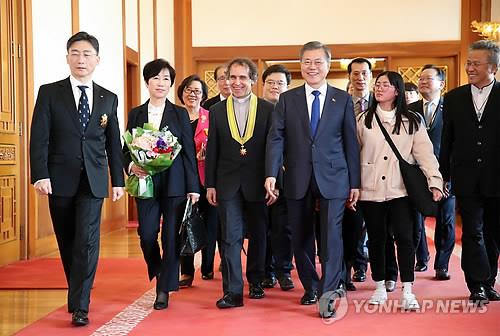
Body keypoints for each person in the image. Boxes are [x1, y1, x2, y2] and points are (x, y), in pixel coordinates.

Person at [29, 31, 125, 327]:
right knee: (67, 240)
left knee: (86, 240)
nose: (81, 59)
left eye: (87, 54)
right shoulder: (49, 92)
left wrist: (118, 180)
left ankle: (81, 305)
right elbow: (39, 138)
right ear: (67, 57)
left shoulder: (108, 97)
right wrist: (40, 174)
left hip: (94, 180)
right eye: (75, 53)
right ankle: (77, 291)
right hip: (58, 179)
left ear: (97, 60)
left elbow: (112, 142)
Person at [265, 41, 361, 318]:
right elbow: (276, 138)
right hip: (297, 176)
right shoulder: (288, 99)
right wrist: (271, 173)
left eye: (318, 62)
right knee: (301, 236)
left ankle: (329, 294)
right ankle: (311, 285)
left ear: (328, 65)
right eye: (307, 62)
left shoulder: (342, 99)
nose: (312, 67)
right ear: (300, 66)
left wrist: (354, 182)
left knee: (332, 238)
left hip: (334, 177)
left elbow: (350, 144)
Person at [356, 71, 443, 311]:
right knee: (376, 239)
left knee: (405, 238)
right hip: (370, 189)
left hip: (401, 190)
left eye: (385, 84)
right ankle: (380, 286)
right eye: (377, 84)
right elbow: (354, 155)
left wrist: (434, 181)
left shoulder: (412, 120)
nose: (379, 88)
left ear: (397, 90)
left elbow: (425, 154)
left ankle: (408, 289)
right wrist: (352, 186)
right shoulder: (364, 119)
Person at [123, 59, 200, 310]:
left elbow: (188, 151)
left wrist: (193, 187)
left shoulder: (179, 113)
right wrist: (130, 166)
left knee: (170, 237)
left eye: (166, 78)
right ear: (147, 81)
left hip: (175, 183)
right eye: (156, 78)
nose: (161, 83)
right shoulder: (136, 112)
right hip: (145, 182)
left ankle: (163, 289)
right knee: (146, 234)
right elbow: (127, 148)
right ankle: (159, 269)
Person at [205, 58, 274, 309]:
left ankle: (256, 280)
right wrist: (210, 184)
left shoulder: (267, 109)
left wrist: (273, 179)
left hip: (259, 182)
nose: (236, 83)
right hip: (227, 182)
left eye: (242, 78)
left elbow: (273, 148)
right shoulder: (216, 111)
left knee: (258, 234)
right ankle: (232, 291)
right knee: (231, 237)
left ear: (253, 80)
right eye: (231, 78)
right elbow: (212, 149)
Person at [439, 40, 500, 304]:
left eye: (476, 64)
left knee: (493, 232)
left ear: (493, 67)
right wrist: (443, 176)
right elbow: (447, 140)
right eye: (468, 63)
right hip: (465, 178)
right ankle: (476, 285)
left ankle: (489, 281)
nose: (470, 68)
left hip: (497, 178)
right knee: (472, 230)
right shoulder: (453, 98)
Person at [409, 64, 456, 280]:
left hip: (445, 173)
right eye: (421, 78)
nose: (422, 82)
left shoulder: (452, 108)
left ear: (441, 84)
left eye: (428, 78)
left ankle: (442, 265)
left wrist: (448, 175)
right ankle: (421, 258)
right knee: (415, 220)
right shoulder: (411, 109)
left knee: (445, 220)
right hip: (417, 174)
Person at [177, 75, 219, 286]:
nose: (192, 94)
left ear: (203, 96)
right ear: (181, 92)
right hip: (181, 180)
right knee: (185, 223)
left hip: (207, 179)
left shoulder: (211, 117)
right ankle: (186, 271)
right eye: (188, 90)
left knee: (211, 223)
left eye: (197, 91)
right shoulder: (174, 116)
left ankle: (208, 266)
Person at [260, 64, 295, 291]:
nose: (275, 86)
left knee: (284, 228)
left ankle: (284, 270)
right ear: (262, 85)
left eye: (280, 83)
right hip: (257, 180)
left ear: (288, 86)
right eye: (270, 82)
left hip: (286, 179)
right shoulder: (256, 109)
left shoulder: (293, 109)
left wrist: (278, 182)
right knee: (261, 229)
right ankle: (265, 271)